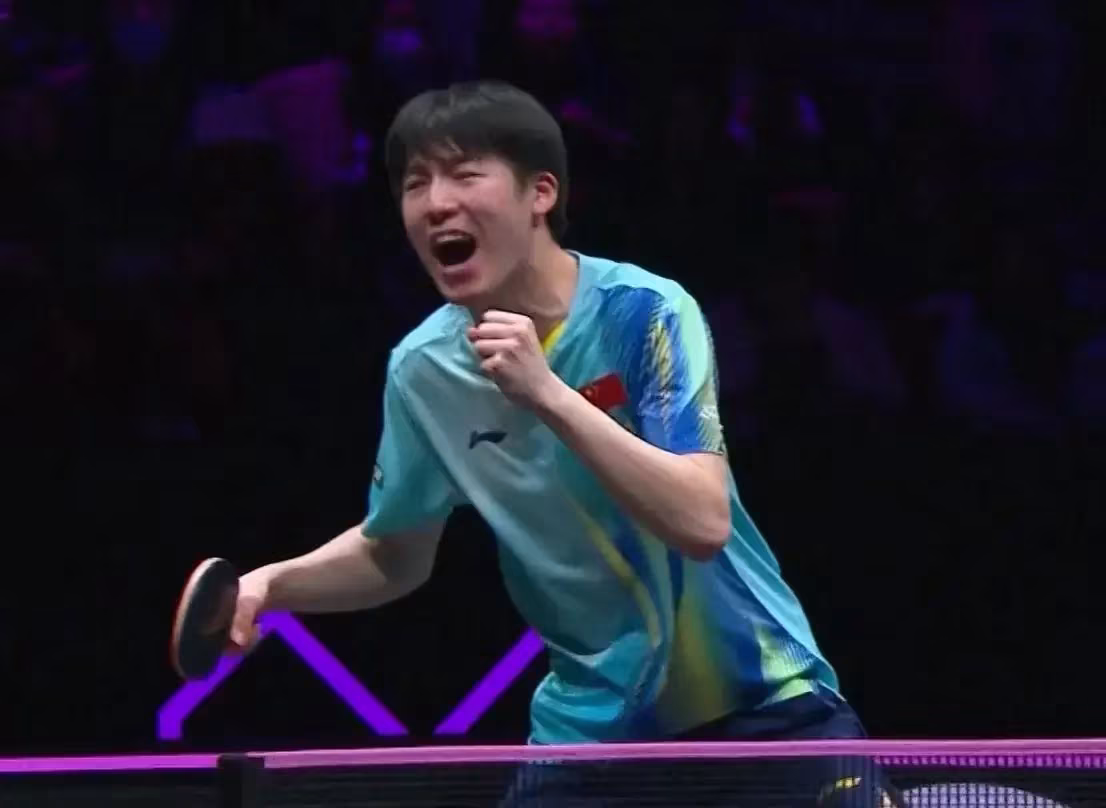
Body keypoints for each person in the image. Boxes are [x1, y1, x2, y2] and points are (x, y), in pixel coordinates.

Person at [227, 80, 897, 807]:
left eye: (464, 174)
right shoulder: (422, 370)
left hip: (763, 708)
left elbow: (702, 521)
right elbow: (395, 552)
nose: (436, 203)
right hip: (592, 738)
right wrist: (271, 586)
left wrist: (546, 393)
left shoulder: (641, 312)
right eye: (415, 184)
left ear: (540, 193)